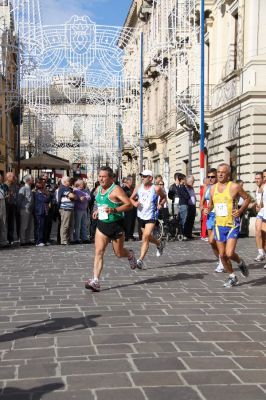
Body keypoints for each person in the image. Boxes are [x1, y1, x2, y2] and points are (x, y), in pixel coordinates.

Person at [85, 166, 138, 292]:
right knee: (99, 252)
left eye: (104, 177)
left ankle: (130, 254)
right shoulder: (98, 189)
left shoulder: (116, 190)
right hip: (102, 224)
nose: (101, 179)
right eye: (100, 176)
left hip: (116, 224)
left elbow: (129, 205)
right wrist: (97, 211)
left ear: (110, 178)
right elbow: (99, 202)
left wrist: (114, 210)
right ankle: (95, 281)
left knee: (119, 253)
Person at [208, 163, 250, 288]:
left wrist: (240, 211)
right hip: (219, 225)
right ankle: (232, 276)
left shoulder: (234, 187)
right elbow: (211, 204)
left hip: (232, 224)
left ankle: (240, 262)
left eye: (223, 172)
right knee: (222, 255)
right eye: (218, 172)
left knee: (230, 253)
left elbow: (247, 198)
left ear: (228, 174)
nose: (220, 174)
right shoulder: (212, 188)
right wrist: (207, 209)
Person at [130, 169, 166, 269]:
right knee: (147, 237)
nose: (142, 178)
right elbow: (131, 198)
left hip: (152, 214)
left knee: (146, 236)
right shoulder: (138, 187)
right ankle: (159, 243)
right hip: (141, 215)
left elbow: (164, 197)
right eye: (142, 176)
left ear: (150, 178)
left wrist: (160, 204)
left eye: (145, 176)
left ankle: (140, 260)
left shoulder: (156, 188)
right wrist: (134, 203)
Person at [201, 168, 224, 272]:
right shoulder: (207, 187)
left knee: (213, 239)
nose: (210, 179)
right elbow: (201, 203)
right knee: (211, 242)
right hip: (210, 216)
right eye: (209, 177)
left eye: (212, 177)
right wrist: (203, 209)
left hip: (219, 216)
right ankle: (220, 258)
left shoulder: (221, 187)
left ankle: (222, 261)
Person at [56, 176, 76, 245]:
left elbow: (74, 197)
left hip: (70, 208)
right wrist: (71, 196)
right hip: (65, 209)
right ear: (64, 182)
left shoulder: (69, 188)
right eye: (69, 181)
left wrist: (72, 196)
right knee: (65, 225)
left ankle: (67, 239)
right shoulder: (62, 188)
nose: (70, 182)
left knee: (70, 225)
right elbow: (73, 196)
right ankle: (63, 240)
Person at [17, 175, 34, 246]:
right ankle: (23, 240)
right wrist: (20, 208)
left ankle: (27, 239)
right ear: (28, 180)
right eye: (32, 179)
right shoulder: (23, 188)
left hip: (30, 209)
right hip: (24, 209)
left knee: (29, 225)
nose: (33, 180)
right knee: (24, 225)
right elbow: (19, 200)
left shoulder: (29, 188)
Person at [73, 179, 90, 243]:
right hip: (78, 209)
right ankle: (76, 238)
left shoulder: (85, 190)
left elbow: (89, 197)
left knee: (84, 224)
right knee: (77, 225)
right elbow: (79, 199)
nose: (82, 186)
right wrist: (83, 197)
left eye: (83, 184)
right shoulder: (76, 191)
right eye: (81, 184)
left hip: (84, 210)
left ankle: (84, 238)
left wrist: (84, 197)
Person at [253, 172, 265, 262]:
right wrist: (257, 206)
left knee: (264, 235)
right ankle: (260, 253)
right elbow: (259, 202)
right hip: (261, 213)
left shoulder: (265, 187)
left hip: (265, 213)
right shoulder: (258, 189)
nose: (257, 180)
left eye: (259, 178)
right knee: (257, 232)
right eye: (256, 178)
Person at [122, 175, 137, 241]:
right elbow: (125, 198)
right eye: (131, 181)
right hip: (127, 208)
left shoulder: (132, 188)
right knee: (127, 222)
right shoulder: (124, 189)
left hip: (133, 208)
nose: (132, 182)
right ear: (127, 181)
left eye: (133, 181)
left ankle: (131, 235)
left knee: (133, 222)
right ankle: (127, 235)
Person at [184, 175, 196, 239]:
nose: (193, 182)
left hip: (193, 206)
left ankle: (189, 234)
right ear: (188, 181)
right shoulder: (185, 187)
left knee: (192, 221)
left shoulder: (192, 188)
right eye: (192, 181)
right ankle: (186, 234)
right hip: (188, 206)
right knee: (187, 221)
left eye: (193, 181)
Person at [0, 174, 8, 247]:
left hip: (3, 207)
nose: (1, 180)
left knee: (3, 225)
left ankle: (4, 242)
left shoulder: (2, 187)